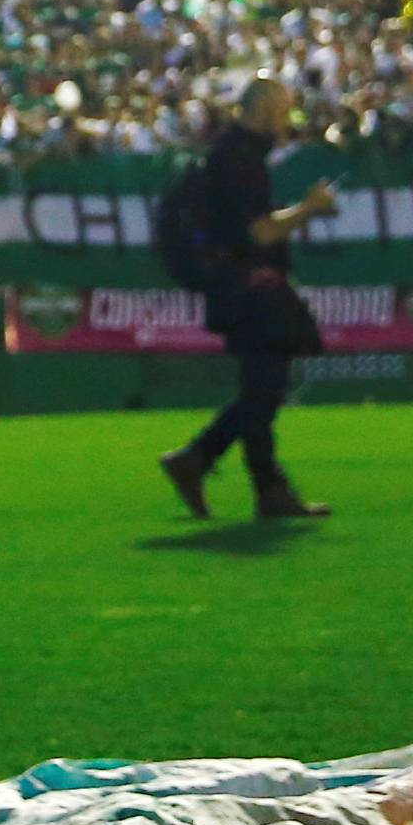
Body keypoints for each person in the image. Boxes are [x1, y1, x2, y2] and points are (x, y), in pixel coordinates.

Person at [158, 78, 336, 522]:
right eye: (283, 110)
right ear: (262, 110)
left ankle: (241, 476)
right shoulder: (240, 159)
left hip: (237, 284)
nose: (288, 120)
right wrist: (309, 208)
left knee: (262, 385)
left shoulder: (233, 154)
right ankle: (212, 463)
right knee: (264, 387)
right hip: (247, 285)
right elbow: (259, 231)